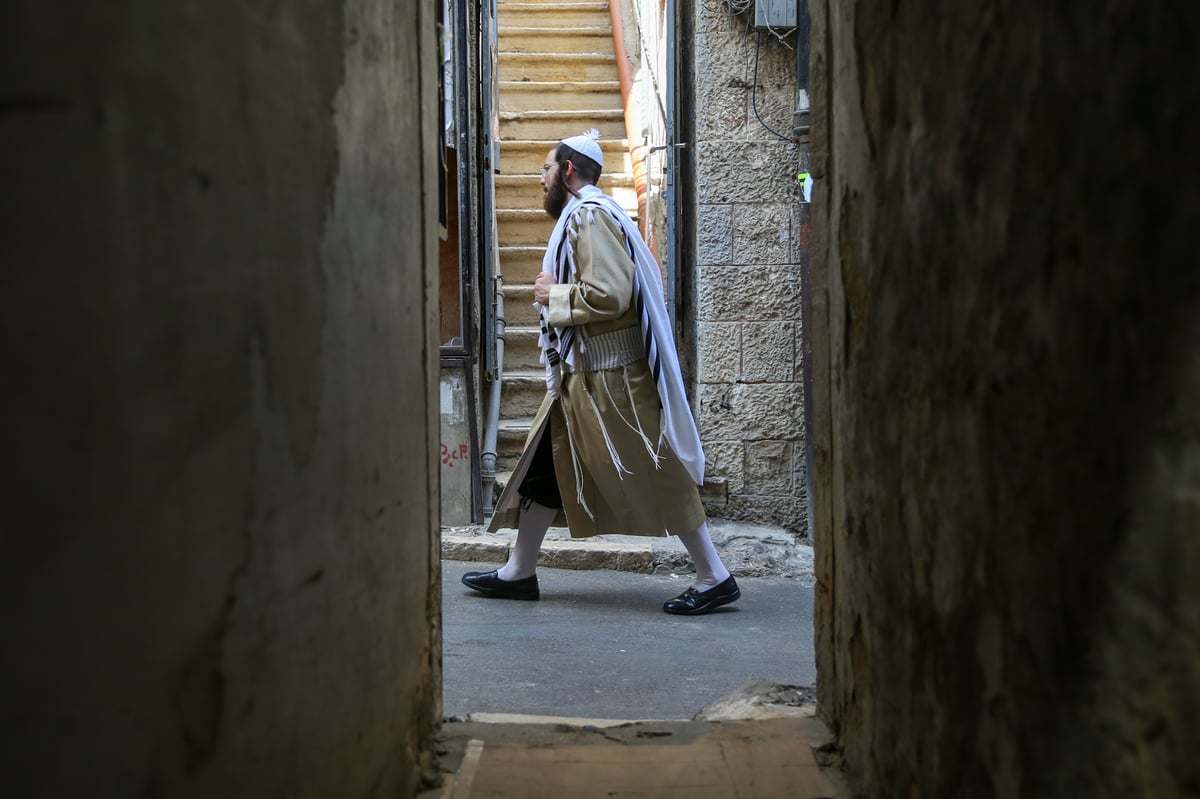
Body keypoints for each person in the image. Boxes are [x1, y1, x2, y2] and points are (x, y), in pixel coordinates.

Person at [462, 130, 739, 616]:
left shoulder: (588, 217)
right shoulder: (587, 215)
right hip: (582, 376)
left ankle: (714, 575)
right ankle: (519, 570)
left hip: (612, 380)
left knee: (660, 468)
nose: (540, 181)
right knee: (543, 467)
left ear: (567, 171)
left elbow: (609, 294)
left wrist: (555, 296)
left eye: (546, 170)